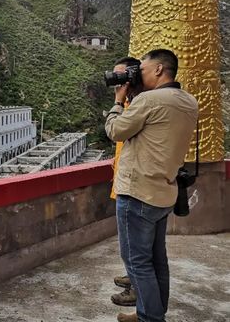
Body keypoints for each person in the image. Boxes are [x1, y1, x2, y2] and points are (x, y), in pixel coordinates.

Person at [105, 49, 198, 322]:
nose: (138, 75)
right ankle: (152, 311)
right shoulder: (188, 101)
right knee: (157, 260)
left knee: (137, 261)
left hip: (137, 193)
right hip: (163, 192)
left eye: (142, 70)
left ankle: (150, 318)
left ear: (158, 70)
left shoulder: (149, 100)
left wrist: (118, 101)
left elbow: (115, 131)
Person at [109, 57, 142, 308]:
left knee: (135, 246)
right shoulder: (133, 102)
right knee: (130, 242)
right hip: (123, 179)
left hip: (135, 186)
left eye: (121, 76)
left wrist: (118, 101)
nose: (117, 82)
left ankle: (136, 291)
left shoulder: (140, 104)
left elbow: (116, 130)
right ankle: (132, 277)